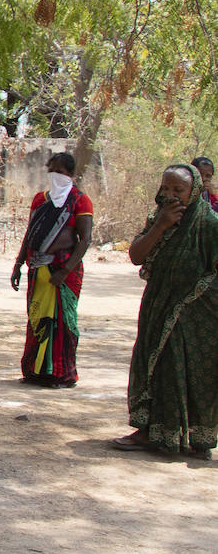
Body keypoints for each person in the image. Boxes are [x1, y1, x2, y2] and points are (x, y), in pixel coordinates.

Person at [112, 163, 218, 458]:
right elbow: (136, 255)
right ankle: (150, 431)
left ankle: (198, 438)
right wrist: (161, 225)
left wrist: (192, 299)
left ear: (194, 191)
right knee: (153, 366)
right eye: (166, 188)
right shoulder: (157, 219)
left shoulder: (210, 225)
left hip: (196, 315)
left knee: (192, 372)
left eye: (179, 190)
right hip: (158, 305)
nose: (171, 195)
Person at [11, 152, 93, 388]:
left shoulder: (80, 200)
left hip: (63, 271)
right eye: (52, 170)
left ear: (71, 174)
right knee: (38, 317)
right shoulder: (40, 200)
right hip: (38, 267)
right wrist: (18, 264)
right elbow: (30, 234)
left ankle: (61, 374)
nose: (56, 175)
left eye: (61, 171)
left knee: (62, 322)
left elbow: (85, 239)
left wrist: (65, 271)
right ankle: (36, 371)